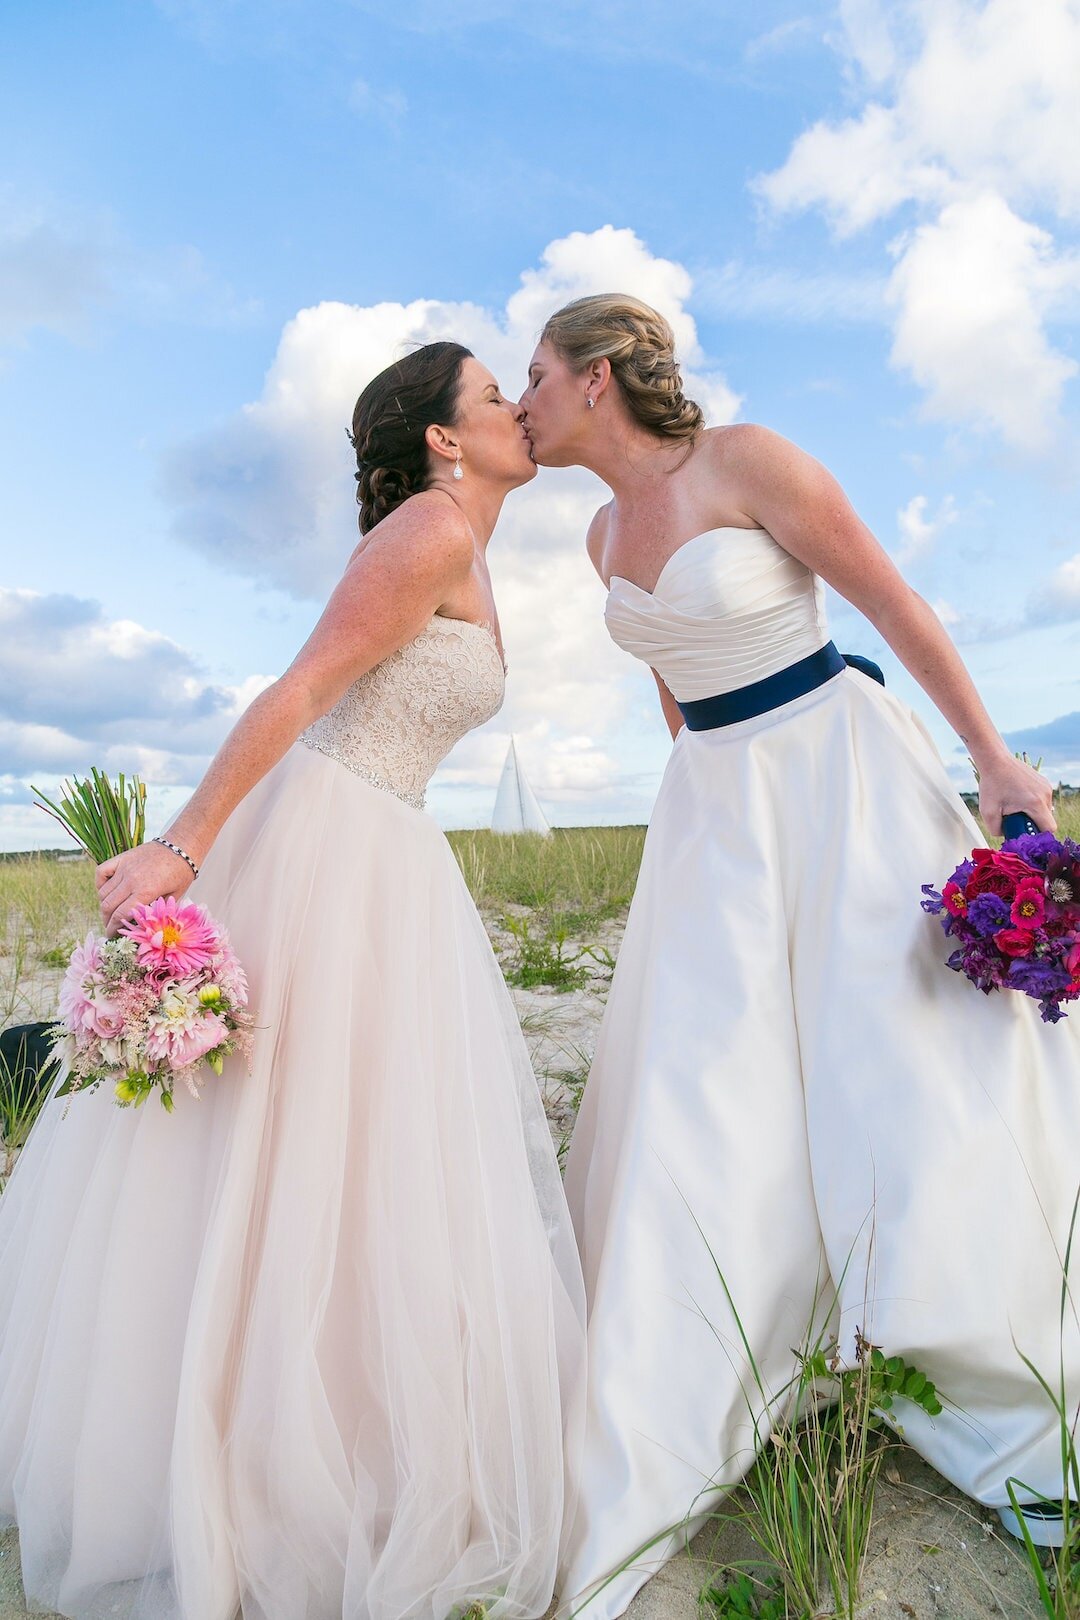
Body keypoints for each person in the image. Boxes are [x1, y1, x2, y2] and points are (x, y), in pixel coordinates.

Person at [0, 341, 585, 1620]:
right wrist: (185, 844)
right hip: (327, 836)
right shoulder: (432, 532)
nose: (514, 411)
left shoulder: (469, 542)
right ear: (442, 437)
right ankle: (223, 1451)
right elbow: (306, 685)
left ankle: (330, 1419)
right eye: (493, 396)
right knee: (284, 1136)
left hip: (389, 846)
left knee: (357, 1141)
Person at [518, 294, 1080, 1620]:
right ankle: (727, 1354)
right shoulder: (600, 533)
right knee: (712, 1085)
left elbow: (897, 602)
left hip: (840, 775)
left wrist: (995, 762)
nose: (522, 398)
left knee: (894, 1059)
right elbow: (672, 687)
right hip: (716, 814)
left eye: (535, 374)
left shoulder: (749, 463)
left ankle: (944, 1330)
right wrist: (708, 826)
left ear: (599, 377)